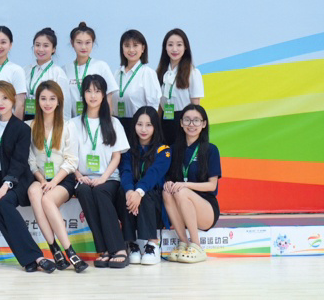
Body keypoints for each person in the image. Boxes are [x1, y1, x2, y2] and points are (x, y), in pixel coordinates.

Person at [0, 81, 55, 273]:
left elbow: (19, 161)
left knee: (3, 202)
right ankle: (28, 259)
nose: (0, 103)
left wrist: (6, 185)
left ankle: (36, 257)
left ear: (13, 100)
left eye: (5, 98)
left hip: (18, 181)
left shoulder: (22, 128)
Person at [70, 74, 130, 269]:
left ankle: (118, 248)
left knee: (100, 191)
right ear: (83, 95)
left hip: (109, 177)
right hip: (82, 177)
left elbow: (116, 157)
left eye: (97, 91)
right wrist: (79, 175)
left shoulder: (113, 123)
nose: (93, 95)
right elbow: (69, 155)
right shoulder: (73, 124)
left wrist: (103, 178)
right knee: (84, 192)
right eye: (88, 91)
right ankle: (103, 250)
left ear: (104, 95)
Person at [26, 81, 87, 272]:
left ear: (59, 101)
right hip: (40, 178)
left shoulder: (68, 126)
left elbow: (71, 161)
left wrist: (53, 182)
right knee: (34, 193)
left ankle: (69, 251)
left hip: (62, 178)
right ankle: (54, 248)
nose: (47, 103)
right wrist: (42, 180)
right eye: (43, 98)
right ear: (37, 101)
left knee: (47, 200)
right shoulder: (30, 126)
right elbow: (31, 161)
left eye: (52, 99)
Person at [163, 104, 221, 264]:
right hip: (182, 206)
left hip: (206, 210)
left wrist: (186, 185)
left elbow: (212, 186)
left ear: (204, 124)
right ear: (181, 123)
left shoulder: (211, 150)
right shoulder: (174, 149)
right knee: (166, 191)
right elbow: (170, 178)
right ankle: (183, 243)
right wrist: (169, 183)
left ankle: (197, 246)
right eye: (187, 120)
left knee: (181, 191)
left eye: (196, 120)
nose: (191, 124)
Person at [120, 105, 170, 266]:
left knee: (147, 194)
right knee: (123, 193)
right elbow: (126, 171)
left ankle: (152, 244)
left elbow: (153, 174)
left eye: (149, 125)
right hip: (133, 198)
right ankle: (132, 243)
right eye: (139, 124)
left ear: (155, 127)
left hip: (153, 201)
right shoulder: (128, 149)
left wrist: (139, 192)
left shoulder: (164, 150)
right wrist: (130, 192)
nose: (143, 129)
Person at [156, 29, 204, 147]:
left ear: (185, 47)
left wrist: (192, 126)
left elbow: (196, 106)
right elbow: (159, 105)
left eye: (179, 45)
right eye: (170, 45)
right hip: (165, 121)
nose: (174, 49)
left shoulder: (193, 73)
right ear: (165, 48)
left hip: (184, 121)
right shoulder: (160, 72)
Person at [64, 22, 119, 119]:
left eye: (87, 42)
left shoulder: (101, 66)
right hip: (72, 121)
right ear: (72, 43)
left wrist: (107, 121)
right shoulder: (65, 69)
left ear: (93, 43)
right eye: (79, 42)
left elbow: (109, 97)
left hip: (97, 121)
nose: (83, 47)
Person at [116, 30, 161, 129]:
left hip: (139, 127)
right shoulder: (117, 74)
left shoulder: (147, 73)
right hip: (117, 125)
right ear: (122, 48)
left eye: (135, 45)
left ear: (143, 48)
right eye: (127, 46)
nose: (131, 50)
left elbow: (153, 106)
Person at [24, 28, 70, 120]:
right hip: (26, 121)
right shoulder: (25, 70)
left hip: (49, 122)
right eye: (37, 45)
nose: (41, 49)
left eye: (46, 46)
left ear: (53, 49)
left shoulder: (57, 73)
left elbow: (65, 106)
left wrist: (63, 125)